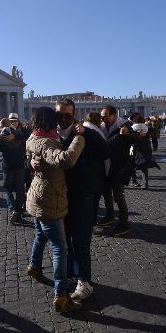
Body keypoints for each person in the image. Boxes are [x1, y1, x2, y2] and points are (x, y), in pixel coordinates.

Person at [25, 106, 85, 312]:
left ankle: (34, 266)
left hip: (36, 195)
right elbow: (66, 160)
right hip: (50, 198)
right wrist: (79, 138)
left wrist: (31, 162)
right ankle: (61, 295)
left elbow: (30, 158)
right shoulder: (47, 141)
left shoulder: (32, 137)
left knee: (40, 235)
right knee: (60, 247)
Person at [54, 100, 108, 301]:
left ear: (74, 114)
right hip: (60, 195)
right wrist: (30, 163)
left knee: (81, 240)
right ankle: (69, 274)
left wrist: (88, 133)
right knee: (63, 239)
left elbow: (105, 152)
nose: (63, 119)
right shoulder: (50, 133)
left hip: (83, 194)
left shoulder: (85, 132)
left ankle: (85, 281)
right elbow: (33, 151)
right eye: (60, 114)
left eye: (67, 115)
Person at [98, 105, 137, 237]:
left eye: (105, 116)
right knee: (106, 192)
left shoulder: (125, 125)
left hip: (120, 166)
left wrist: (126, 136)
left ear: (114, 115)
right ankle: (110, 216)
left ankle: (124, 223)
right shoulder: (102, 126)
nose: (103, 119)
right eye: (102, 117)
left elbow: (134, 141)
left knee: (118, 195)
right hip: (106, 165)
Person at [0, 119, 27, 225]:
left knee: (7, 189)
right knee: (20, 190)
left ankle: (13, 209)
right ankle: (19, 214)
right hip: (20, 165)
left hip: (8, 166)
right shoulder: (19, 133)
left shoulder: (2, 136)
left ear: (2, 125)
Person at [131, 122, 159, 189]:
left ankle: (135, 181)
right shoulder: (145, 128)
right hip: (141, 151)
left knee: (137, 166)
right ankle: (143, 183)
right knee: (143, 167)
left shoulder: (134, 128)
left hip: (138, 151)